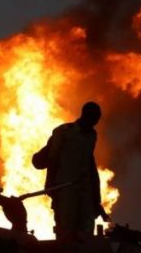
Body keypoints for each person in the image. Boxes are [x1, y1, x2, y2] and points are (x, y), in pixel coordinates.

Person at [34, 102, 109, 240]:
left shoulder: (91, 136)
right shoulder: (65, 132)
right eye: (93, 117)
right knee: (66, 228)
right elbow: (53, 159)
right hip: (65, 188)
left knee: (86, 229)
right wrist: (51, 186)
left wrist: (96, 200)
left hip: (85, 191)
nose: (95, 121)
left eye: (97, 118)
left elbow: (89, 164)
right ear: (85, 115)